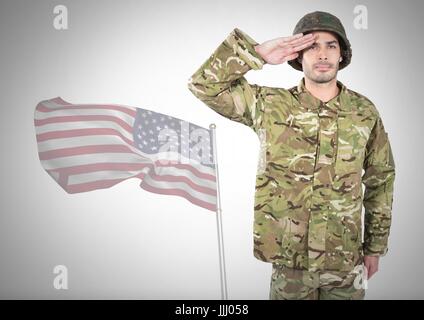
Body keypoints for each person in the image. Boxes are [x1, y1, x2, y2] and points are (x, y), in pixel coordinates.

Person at [187, 11, 396, 300]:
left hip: (346, 262)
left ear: (342, 55)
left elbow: (381, 178)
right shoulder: (270, 105)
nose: (322, 54)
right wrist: (256, 53)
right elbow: (204, 85)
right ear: (298, 55)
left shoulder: (364, 112)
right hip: (290, 264)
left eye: (331, 45)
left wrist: (375, 247)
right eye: (312, 46)